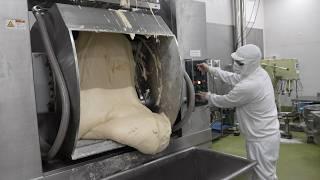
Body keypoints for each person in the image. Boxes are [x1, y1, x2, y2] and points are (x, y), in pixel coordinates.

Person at [197, 44, 280, 180]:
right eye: (235, 61)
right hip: (265, 135)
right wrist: (210, 69)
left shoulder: (250, 85)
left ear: (251, 63)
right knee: (263, 174)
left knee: (264, 176)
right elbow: (233, 78)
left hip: (261, 140)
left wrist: (208, 97)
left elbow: (227, 101)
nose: (235, 65)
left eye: (240, 63)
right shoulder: (258, 73)